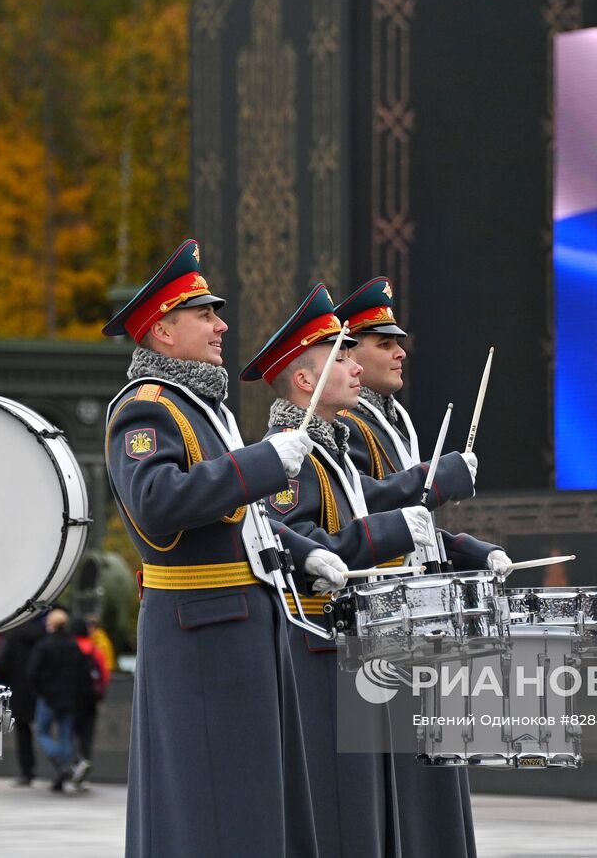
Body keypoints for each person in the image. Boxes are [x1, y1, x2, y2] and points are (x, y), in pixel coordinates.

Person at [103, 239, 348, 858]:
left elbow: (242, 521)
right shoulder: (145, 410)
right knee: (213, 806)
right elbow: (157, 505)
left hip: (236, 627)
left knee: (251, 804)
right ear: (162, 331)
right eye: (205, 314)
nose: (221, 325)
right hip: (201, 631)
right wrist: (262, 463)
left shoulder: (201, 407)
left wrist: (300, 550)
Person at [240, 284, 479, 857]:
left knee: (378, 811)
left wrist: (463, 546)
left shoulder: (332, 448)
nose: (355, 365)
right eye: (342, 355)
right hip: (323, 647)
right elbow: (305, 540)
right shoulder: (291, 452)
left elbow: (365, 509)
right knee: (343, 812)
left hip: (362, 644)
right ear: (305, 381)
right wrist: (404, 520)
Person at [335, 276, 513, 858]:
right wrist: (434, 483)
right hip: (383, 618)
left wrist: (472, 550)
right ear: (350, 351)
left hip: (418, 614)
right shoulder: (344, 422)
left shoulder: (390, 419)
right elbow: (357, 506)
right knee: (403, 782)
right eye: (383, 342)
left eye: (398, 341)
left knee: (433, 773)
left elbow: (413, 526)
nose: (399, 351)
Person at [27, 608, 90, 792]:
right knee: (66, 735)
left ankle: (61, 765)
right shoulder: (73, 646)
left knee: (42, 731)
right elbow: (83, 674)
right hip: (69, 699)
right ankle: (65, 768)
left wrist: (41, 691)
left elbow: (32, 672)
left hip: (48, 698)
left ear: (51, 625)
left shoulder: (44, 645)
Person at [0, 614, 47, 786]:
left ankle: (27, 771)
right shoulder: (43, 634)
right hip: (43, 690)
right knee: (51, 729)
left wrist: (4, 682)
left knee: (23, 731)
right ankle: (63, 766)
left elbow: (0, 663)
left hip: (18, 689)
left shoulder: (11, 636)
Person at [70, 616, 109, 785]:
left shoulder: (69, 647)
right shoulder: (95, 649)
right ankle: (84, 761)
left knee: (70, 733)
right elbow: (104, 674)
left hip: (71, 698)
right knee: (87, 734)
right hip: (90, 699)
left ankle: (73, 765)